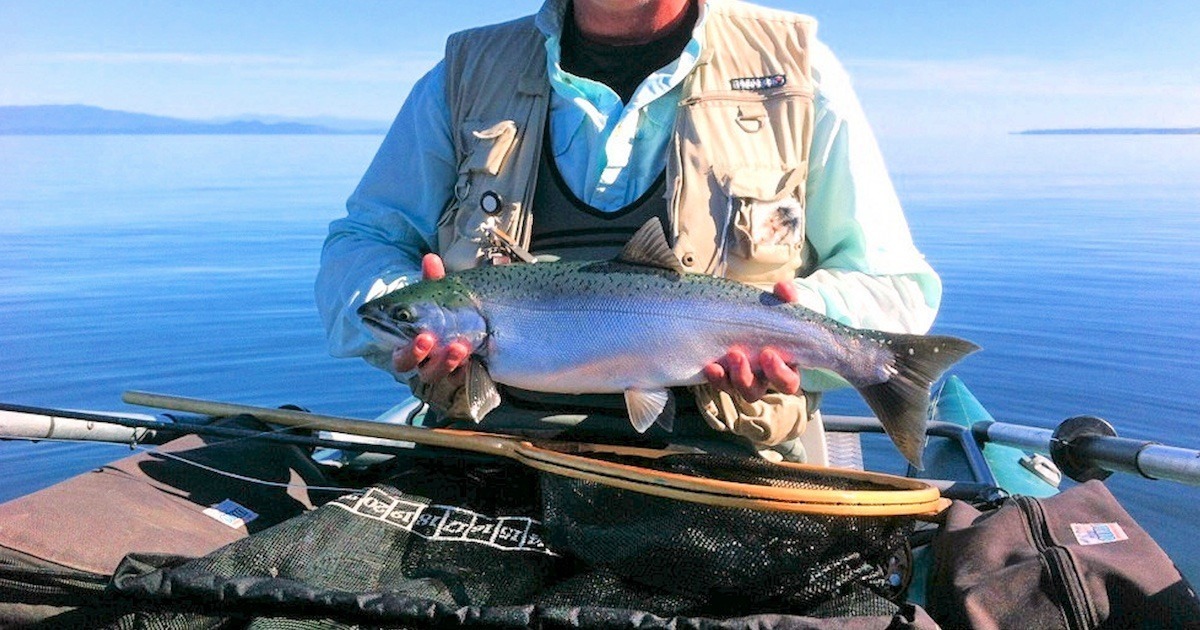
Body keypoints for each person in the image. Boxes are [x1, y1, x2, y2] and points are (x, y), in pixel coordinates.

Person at [316, 0, 942, 463]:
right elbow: (364, 242)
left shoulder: (800, 74)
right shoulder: (463, 76)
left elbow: (895, 285)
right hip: (485, 446)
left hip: (727, 460)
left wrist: (787, 323)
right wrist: (414, 324)